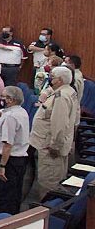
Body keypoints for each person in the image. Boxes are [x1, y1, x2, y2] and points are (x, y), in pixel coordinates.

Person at [27, 66, 78, 204]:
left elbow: (59, 125)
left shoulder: (61, 97)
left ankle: (46, 211)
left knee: (48, 184)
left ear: (60, 80)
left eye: (52, 77)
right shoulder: (68, 91)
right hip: (50, 144)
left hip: (50, 148)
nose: (50, 79)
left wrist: (54, 146)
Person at [0, 86, 30, 215]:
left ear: (10, 99)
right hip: (19, 160)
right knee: (14, 194)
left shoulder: (10, 118)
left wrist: (2, 166)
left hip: (8, 161)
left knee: (4, 197)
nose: (1, 99)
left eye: (3, 96)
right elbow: (3, 111)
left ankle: (1, 219)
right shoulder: (21, 111)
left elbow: (7, 144)